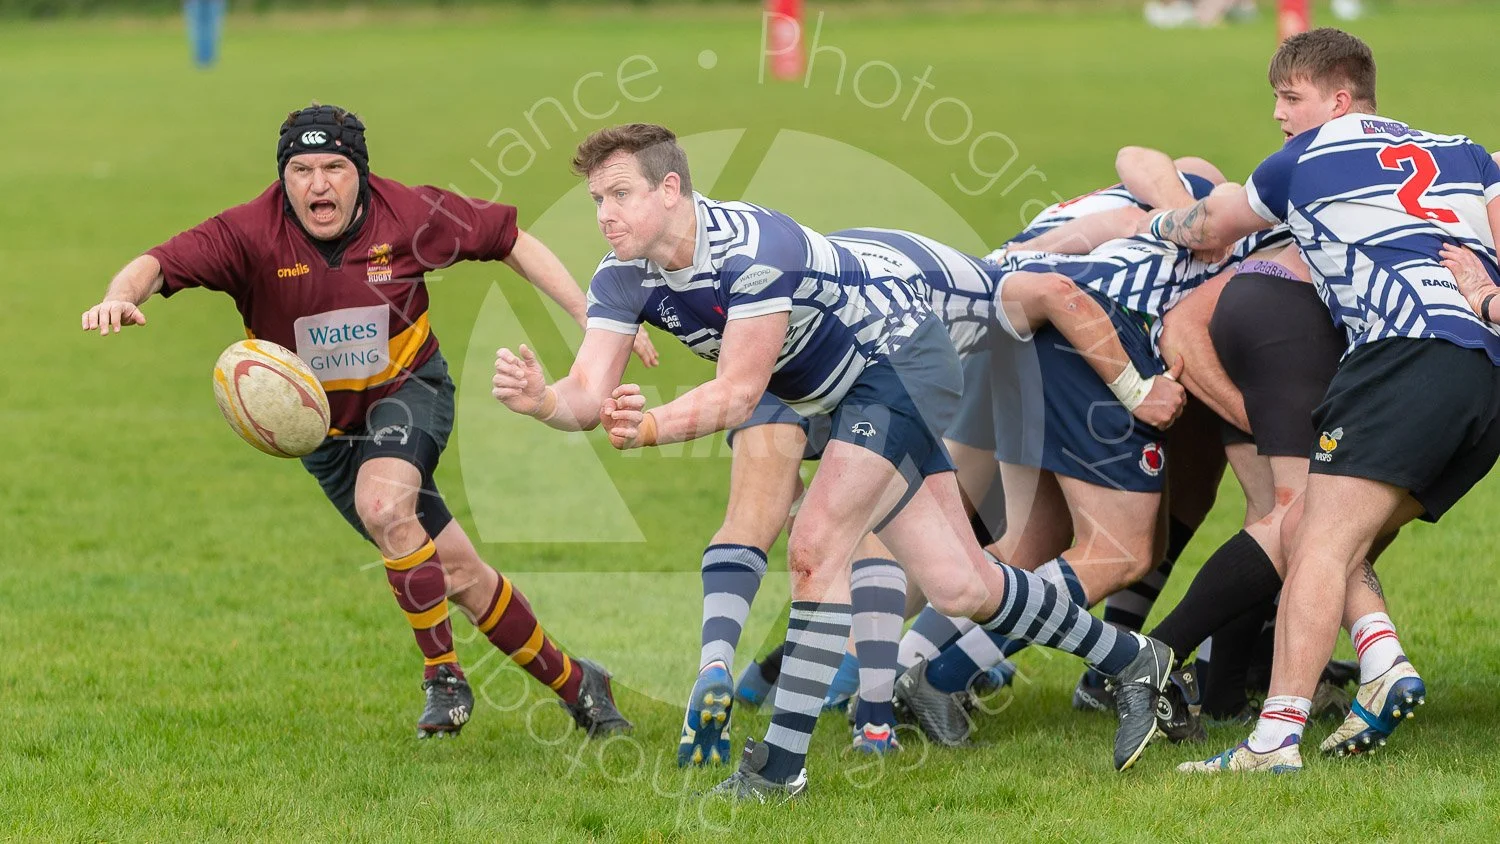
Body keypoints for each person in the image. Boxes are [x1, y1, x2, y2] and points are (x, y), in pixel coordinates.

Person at [493, 123, 1178, 800]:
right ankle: (1135, 659)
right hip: (847, 390)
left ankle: (780, 767)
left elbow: (738, 395)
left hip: (903, 358)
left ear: (670, 189)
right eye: (595, 201)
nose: (605, 215)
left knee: (817, 543)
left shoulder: (753, 249)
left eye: (619, 194)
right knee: (961, 585)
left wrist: (646, 427)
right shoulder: (621, 276)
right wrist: (540, 401)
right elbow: (585, 394)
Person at [79, 104, 647, 740]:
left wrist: (590, 317)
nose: (317, 184)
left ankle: (443, 675)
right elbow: (156, 262)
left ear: (361, 173)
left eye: (333, 168)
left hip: (409, 392)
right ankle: (579, 684)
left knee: (383, 507)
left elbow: (509, 239)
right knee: (456, 572)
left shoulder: (408, 214)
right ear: (283, 177)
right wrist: (118, 297)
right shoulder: (248, 233)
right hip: (323, 436)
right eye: (301, 170)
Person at [1144, 29, 1500, 772]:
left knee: (1319, 541)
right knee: (1312, 522)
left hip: (1403, 357)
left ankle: (1274, 739)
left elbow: (1211, 226)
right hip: (1485, 376)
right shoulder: (1468, 153)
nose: (1279, 114)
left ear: (1339, 101)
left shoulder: (1301, 160)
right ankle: (1378, 661)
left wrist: (1154, 223)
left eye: (1290, 97)